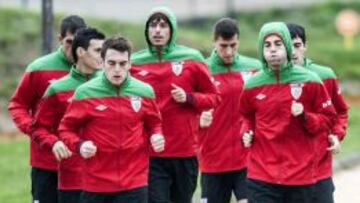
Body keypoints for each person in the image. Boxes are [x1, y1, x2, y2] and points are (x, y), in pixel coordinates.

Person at [58, 36, 165, 203]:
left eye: (122, 64)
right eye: (111, 63)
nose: (117, 69)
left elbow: (154, 124)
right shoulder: (84, 93)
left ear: (130, 64)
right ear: (102, 62)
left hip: (134, 182)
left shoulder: (144, 91)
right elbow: (66, 129)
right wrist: (80, 145)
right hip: (96, 184)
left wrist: (156, 135)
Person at [239, 22, 337, 203]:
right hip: (261, 174)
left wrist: (305, 116)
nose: (273, 50)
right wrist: (247, 131)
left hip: (300, 174)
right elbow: (246, 115)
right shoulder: (252, 84)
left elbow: (329, 119)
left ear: (288, 47)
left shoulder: (310, 80)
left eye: (278, 44)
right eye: (267, 45)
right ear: (261, 49)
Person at [130, 6, 219, 203]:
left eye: (163, 25)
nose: (158, 30)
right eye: (153, 25)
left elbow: (214, 97)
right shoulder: (134, 63)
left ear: (173, 30)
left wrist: (189, 98)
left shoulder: (192, 59)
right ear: (147, 31)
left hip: (185, 151)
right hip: (150, 151)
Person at [8, 15, 86, 203]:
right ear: (59, 39)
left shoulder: (96, 72)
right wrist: (37, 132)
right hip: (46, 163)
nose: (74, 48)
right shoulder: (39, 69)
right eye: (69, 42)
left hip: (83, 166)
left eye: (79, 43)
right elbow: (17, 105)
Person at [32, 27, 105, 203]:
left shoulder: (110, 85)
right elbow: (37, 127)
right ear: (81, 52)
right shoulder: (57, 88)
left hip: (108, 181)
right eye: (98, 51)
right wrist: (54, 142)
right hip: (73, 181)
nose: (102, 56)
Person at [198, 18, 261, 203]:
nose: (228, 52)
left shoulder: (254, 69)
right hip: (213, 162)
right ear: (214, 42)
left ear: (238, 41)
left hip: (247, 159)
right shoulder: (202, 70)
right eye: (223, 46)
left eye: (233, 45)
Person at [287, 23, 349, 203]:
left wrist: (336, 135)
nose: (293, 52)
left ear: (305, 46)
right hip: (284, 170)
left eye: (297, 46)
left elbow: (340, 111)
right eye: (288, 46)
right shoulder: (268, 79)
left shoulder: (324, 75)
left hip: (319, 167)